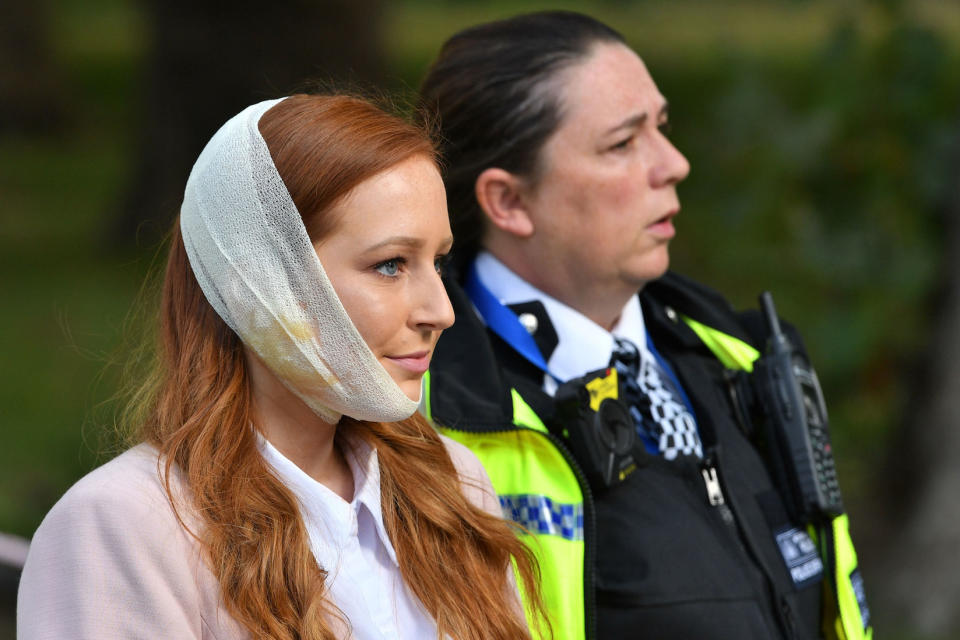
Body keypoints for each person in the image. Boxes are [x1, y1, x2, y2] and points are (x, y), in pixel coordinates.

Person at [17, 93, 545, 639]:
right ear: (262, 282)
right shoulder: (125, 525)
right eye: (390, 264)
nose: (441, 312)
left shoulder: (451, 484)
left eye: (436, 262)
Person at [418, 11, 871, 640]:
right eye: (622, 143)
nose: (675, 163)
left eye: (661, 127)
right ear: (509, 201)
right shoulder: (424, 417)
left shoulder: (738, 356)